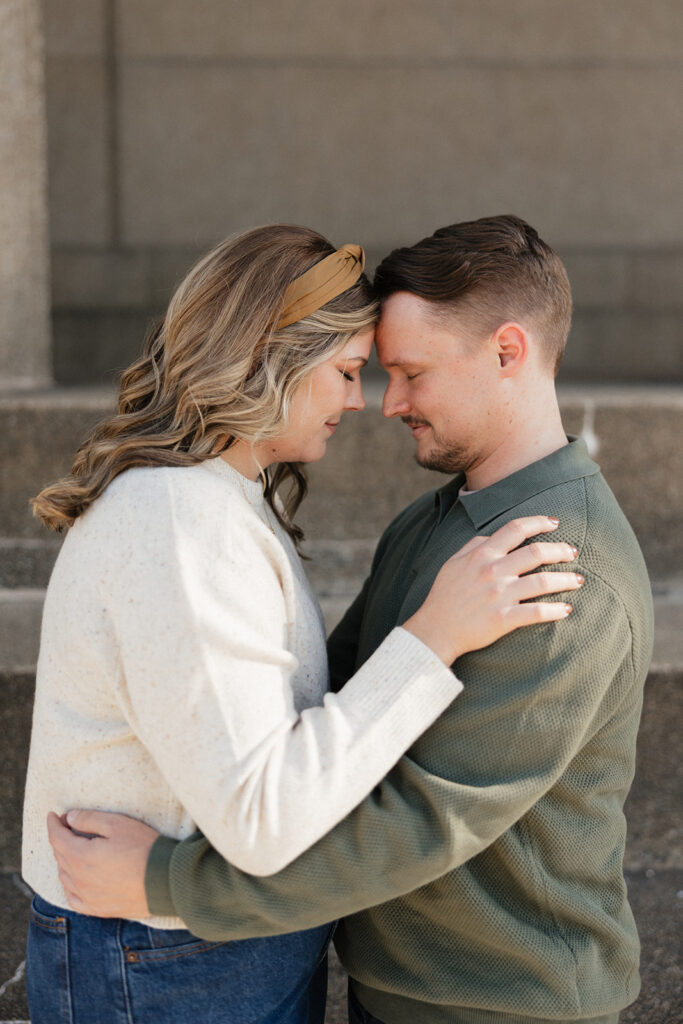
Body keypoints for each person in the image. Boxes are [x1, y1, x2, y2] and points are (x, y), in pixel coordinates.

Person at [45, 216, 652, 1024]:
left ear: (507, 352)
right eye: (369, 371)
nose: (385, 402)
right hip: (395, 989)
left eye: (408, 372)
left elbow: (422, 817)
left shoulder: (557, 563)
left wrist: (167, 884)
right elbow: (331, 720)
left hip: (503, 1004)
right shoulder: (430, 525)